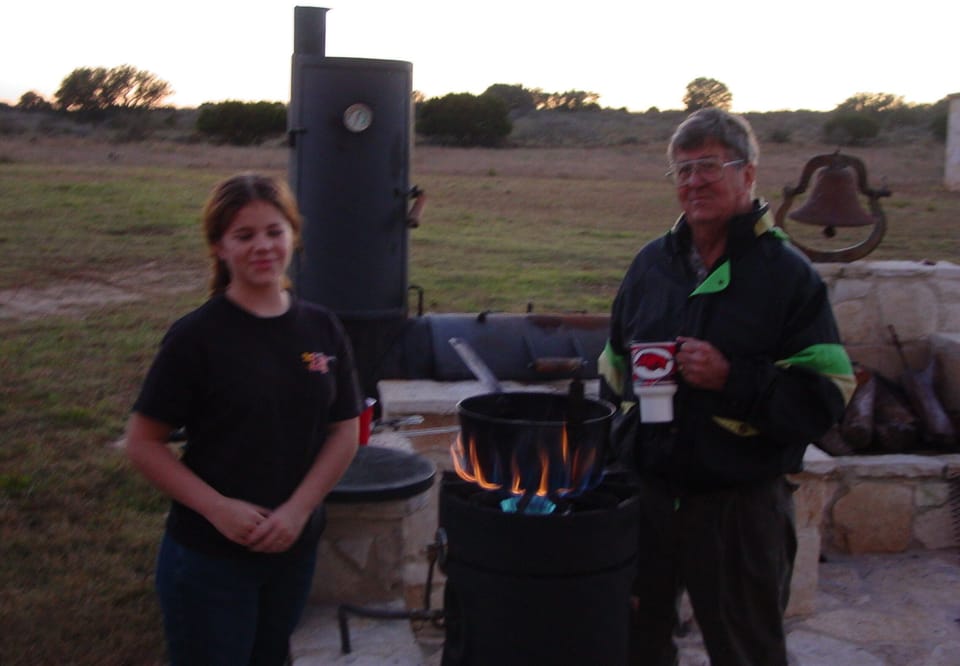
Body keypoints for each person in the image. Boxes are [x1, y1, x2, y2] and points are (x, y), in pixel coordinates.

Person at [599, 108, 855, 666]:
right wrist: (624, 436)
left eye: (709, 166)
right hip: (647, 498)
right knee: (633, 644)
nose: (694, 182)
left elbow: (826, 397)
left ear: (748, 174)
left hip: (737, 510)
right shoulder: (651, 265)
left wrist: (732, 379)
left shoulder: (787, 276)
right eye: (683, 170)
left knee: (746, 652)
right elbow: (613, 369)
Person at [125, 173, 362, 666]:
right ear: (219, 247)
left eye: (274, 231)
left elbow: (345, 429)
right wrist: (218, 509)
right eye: (244, 235)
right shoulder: (196, 338)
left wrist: (298, 511)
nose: (263, 246)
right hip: (210, 558)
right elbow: (143, 443)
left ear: (293, 235)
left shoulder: (321, 326)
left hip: (293, 548)